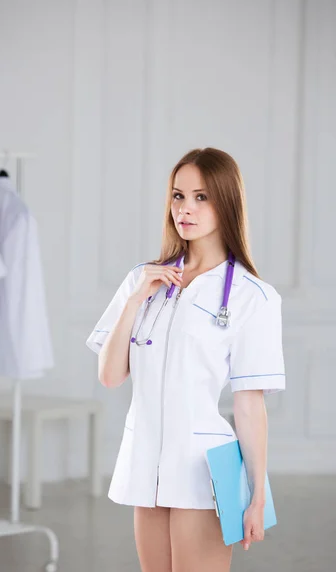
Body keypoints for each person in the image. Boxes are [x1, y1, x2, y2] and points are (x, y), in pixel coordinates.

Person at [86, 147, 286, 572]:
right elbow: (109, 375)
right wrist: (138, 298)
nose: (185, 208)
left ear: (227, 203)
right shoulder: (143, 280)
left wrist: (256, 494)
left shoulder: (254, 297)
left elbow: (250, 406)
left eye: (202, 197)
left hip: (203, 471)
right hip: (146, 465)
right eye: (178, 196)